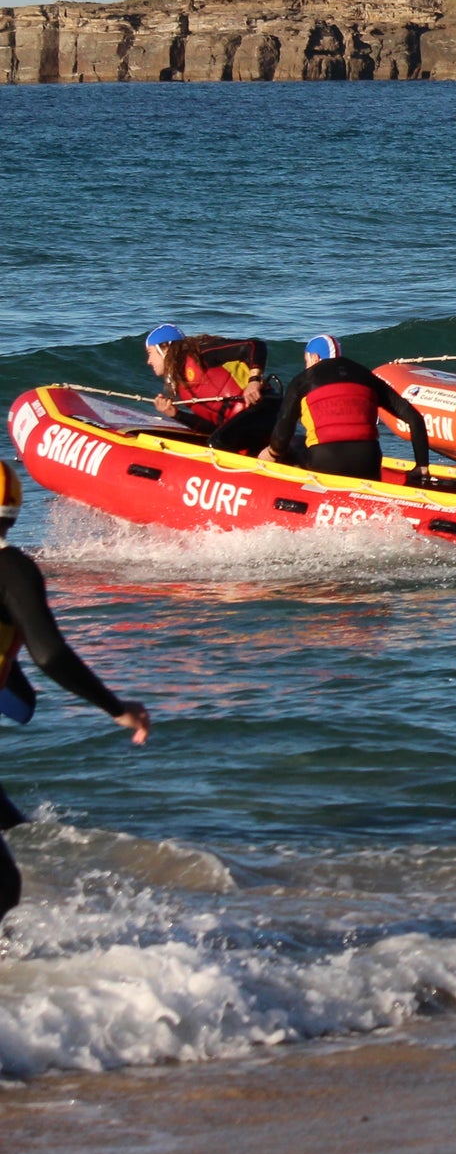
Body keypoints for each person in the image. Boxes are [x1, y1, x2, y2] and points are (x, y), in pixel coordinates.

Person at [0, 462, 152, 924]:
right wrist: (116, 708)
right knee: (5, 886)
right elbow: (50, 655)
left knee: (14, 830)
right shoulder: (11, 568)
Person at [266, 335, 431, 484]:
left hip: (325, 461)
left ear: (313, 357)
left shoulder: (303, 380)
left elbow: (282, 433)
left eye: (306, 360)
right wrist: (421, 465)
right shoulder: (366, 376)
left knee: (295, 442)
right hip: (368, 462)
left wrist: (272, 454)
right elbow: (415, 419)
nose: (306, 365)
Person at [144, 325, 279, 454]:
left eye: (150, 353)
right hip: (246, 425)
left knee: (218, 443)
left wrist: (254, 381)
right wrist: (176, 414)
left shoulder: (200, 354)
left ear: (165, 347)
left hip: (265, 408)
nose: (148, 361)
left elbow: (255, 346)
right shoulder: (182, 388)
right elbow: (211, 428)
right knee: (217, 440)